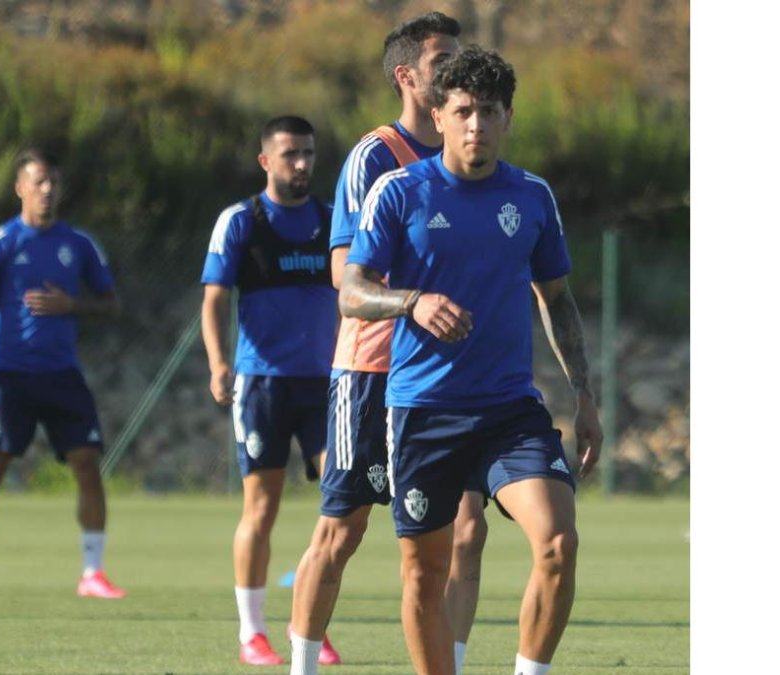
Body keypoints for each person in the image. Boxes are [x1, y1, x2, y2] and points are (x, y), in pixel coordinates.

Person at [340, 46, 603, 675]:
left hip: (510, 411)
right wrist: (411, 303)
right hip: (424, 414)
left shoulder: (533, 197)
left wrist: (584, 396)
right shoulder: (398, 192)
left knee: (558, 542)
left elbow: (557, 301)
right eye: (463, 110)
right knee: (425, 573)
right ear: (438, 117)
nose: (476, 124)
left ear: (508, 117)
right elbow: (352, 290)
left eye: (489, 111)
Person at [286, 12, 490, 675]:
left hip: (446, 378)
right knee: (342, 529)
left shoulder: (466, 154)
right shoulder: (377, 156)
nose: (456, 71)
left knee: (467, 527)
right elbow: (343, 269)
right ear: (407, 76)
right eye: (442, 62)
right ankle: (301, 666)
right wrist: (417, 299)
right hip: (372, 369)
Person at [0, 148, 126, 600]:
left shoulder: (79, 244)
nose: (48, 190)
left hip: (63, 375)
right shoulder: (1, 242)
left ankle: (92, 572)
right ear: (20, 188)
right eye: (39, 182)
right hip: (11, 375)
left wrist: (73, 307)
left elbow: (112, 305)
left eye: (54, 183)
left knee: (88, 464)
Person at [200, 116, 339, 666]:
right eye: (289, 154)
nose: (301, 164)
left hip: (326, 384)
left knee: (340, 504)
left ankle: (309, 621)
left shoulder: (333, 221)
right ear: (266, 161)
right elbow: (213, 298)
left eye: (307, 153)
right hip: (261, 385)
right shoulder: (241, 222)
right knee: (262, 506)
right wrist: (217, 363)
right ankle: (251, 632)